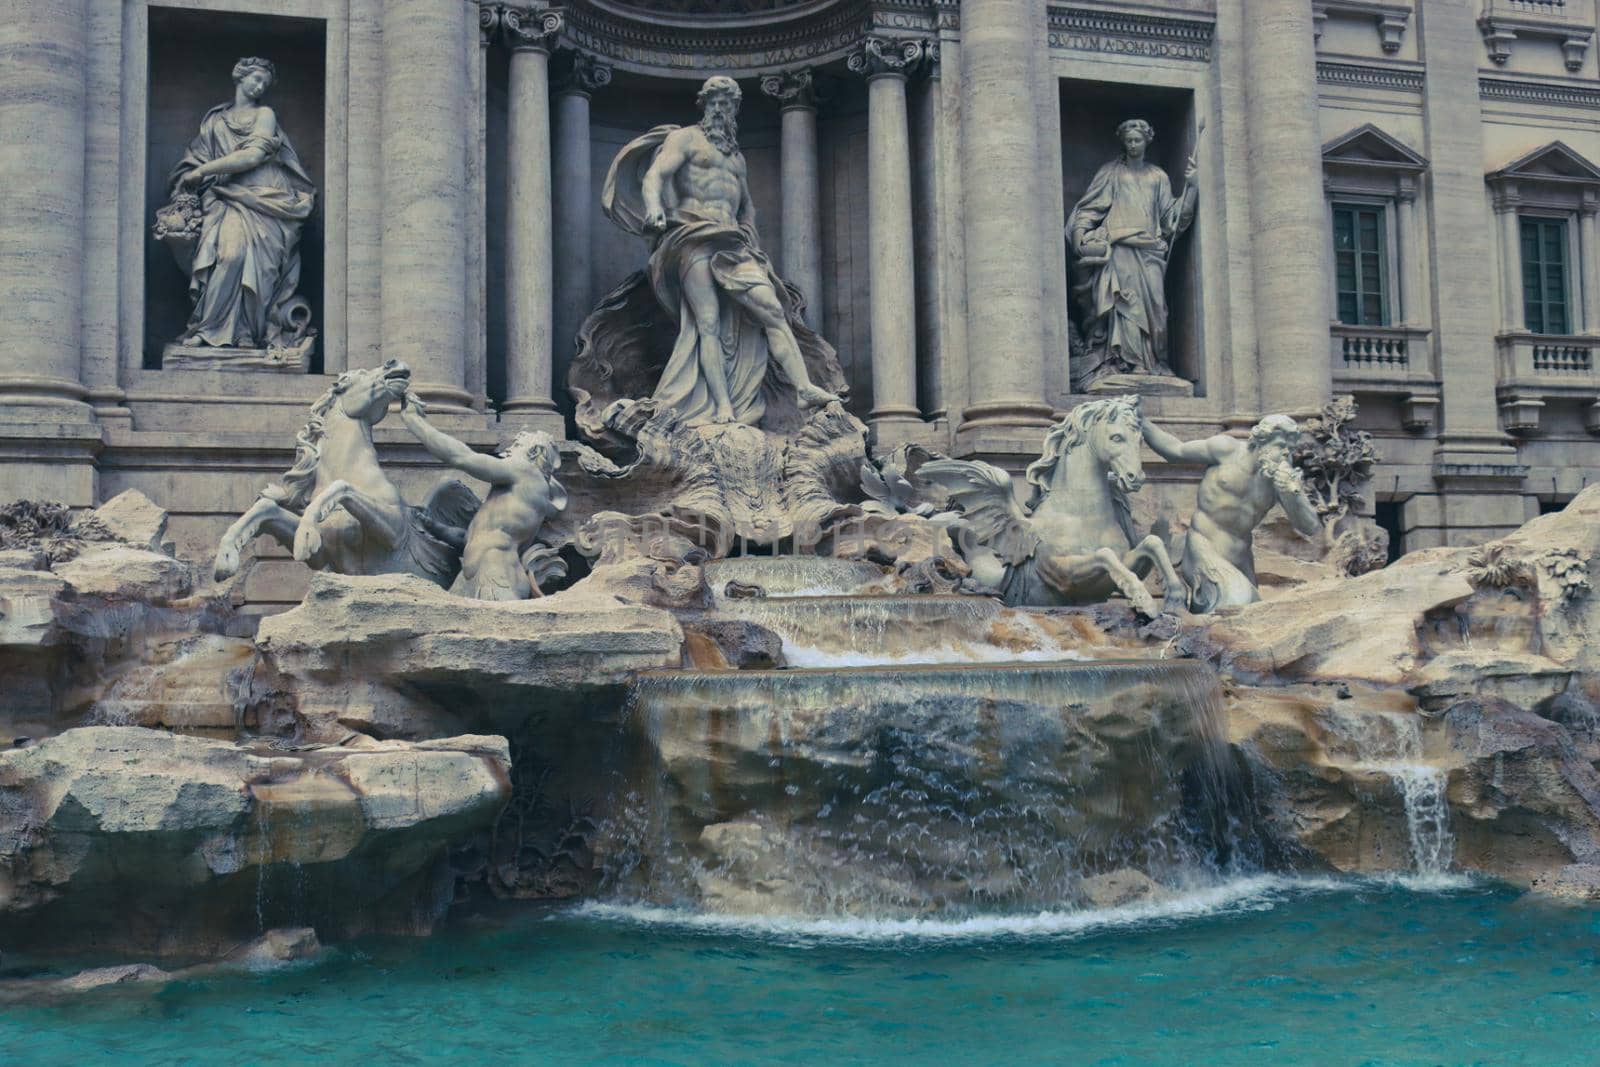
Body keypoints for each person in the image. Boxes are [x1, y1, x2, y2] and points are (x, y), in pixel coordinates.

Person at [602, 75, 839, 426]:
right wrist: (654, 208)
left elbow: (747, 209)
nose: (721, 108)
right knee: (707, 322)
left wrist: (754, 247)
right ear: (704, 104)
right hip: (692, 236)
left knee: (772, 310)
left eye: (728, 103)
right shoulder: (684, 139)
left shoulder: (736, 159)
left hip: (733, 243)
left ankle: (803, 387)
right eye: (715, 101)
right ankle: (722, 407)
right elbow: (655, 176)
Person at [170, 57, 316, 350]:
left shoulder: (265, 114)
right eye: (256, 78)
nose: (260, 86)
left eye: (265, 82)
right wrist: (191, 174)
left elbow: (252, 156)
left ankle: (248, 332)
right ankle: (208, 328)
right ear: (240, 77)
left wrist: (202, 172)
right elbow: (192, 161)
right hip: (225, 199)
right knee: (230, 255)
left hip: (266, 200)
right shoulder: (214, 121)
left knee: (261, 269)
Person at [1140, 414, 1321, 613]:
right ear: (1261, 442)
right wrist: (1142, 422)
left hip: (1241, 559)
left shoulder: (1280, 478)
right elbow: (1175, 450)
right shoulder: (1226, 450)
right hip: (1204, 547)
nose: (1286, 453)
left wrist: (1292, 494)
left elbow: (1310, 526)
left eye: (1291, 448)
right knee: (1238, 603)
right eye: (1280, 446)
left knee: (1251, 614)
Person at [1066, 119, 1196, 389]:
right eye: (1129, 141)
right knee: (1125, 306)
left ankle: (1153, 363)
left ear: (1147, 141)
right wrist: (1080, 234)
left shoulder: (1157, 176)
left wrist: (1192, 188)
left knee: (1157, 309)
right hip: (1120, 249)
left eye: (1137, 140)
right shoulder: (1111, 172)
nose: (1133, 145)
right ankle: (1124, 362)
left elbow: (1172, 219)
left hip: (1150, 251)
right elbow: (1090, 208)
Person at [400, 394, 567, 601]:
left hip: (497, 573)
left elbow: (462, 457)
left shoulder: (527, 473)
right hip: (473, 575)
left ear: (533, 452)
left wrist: (414, 422)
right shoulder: (512, 493)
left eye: (517, 445)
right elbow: (469, 539)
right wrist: (434, 527)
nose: (510, 450)